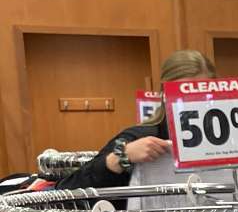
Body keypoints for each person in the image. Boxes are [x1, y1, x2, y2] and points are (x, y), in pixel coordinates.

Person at [56, 50, 217, 190]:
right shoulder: (138, 137)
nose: (193, 103)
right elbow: (68, 189)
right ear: (164, 94)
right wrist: (122, 157)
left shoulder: (230, 140)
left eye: (203, 95)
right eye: (183, 94)